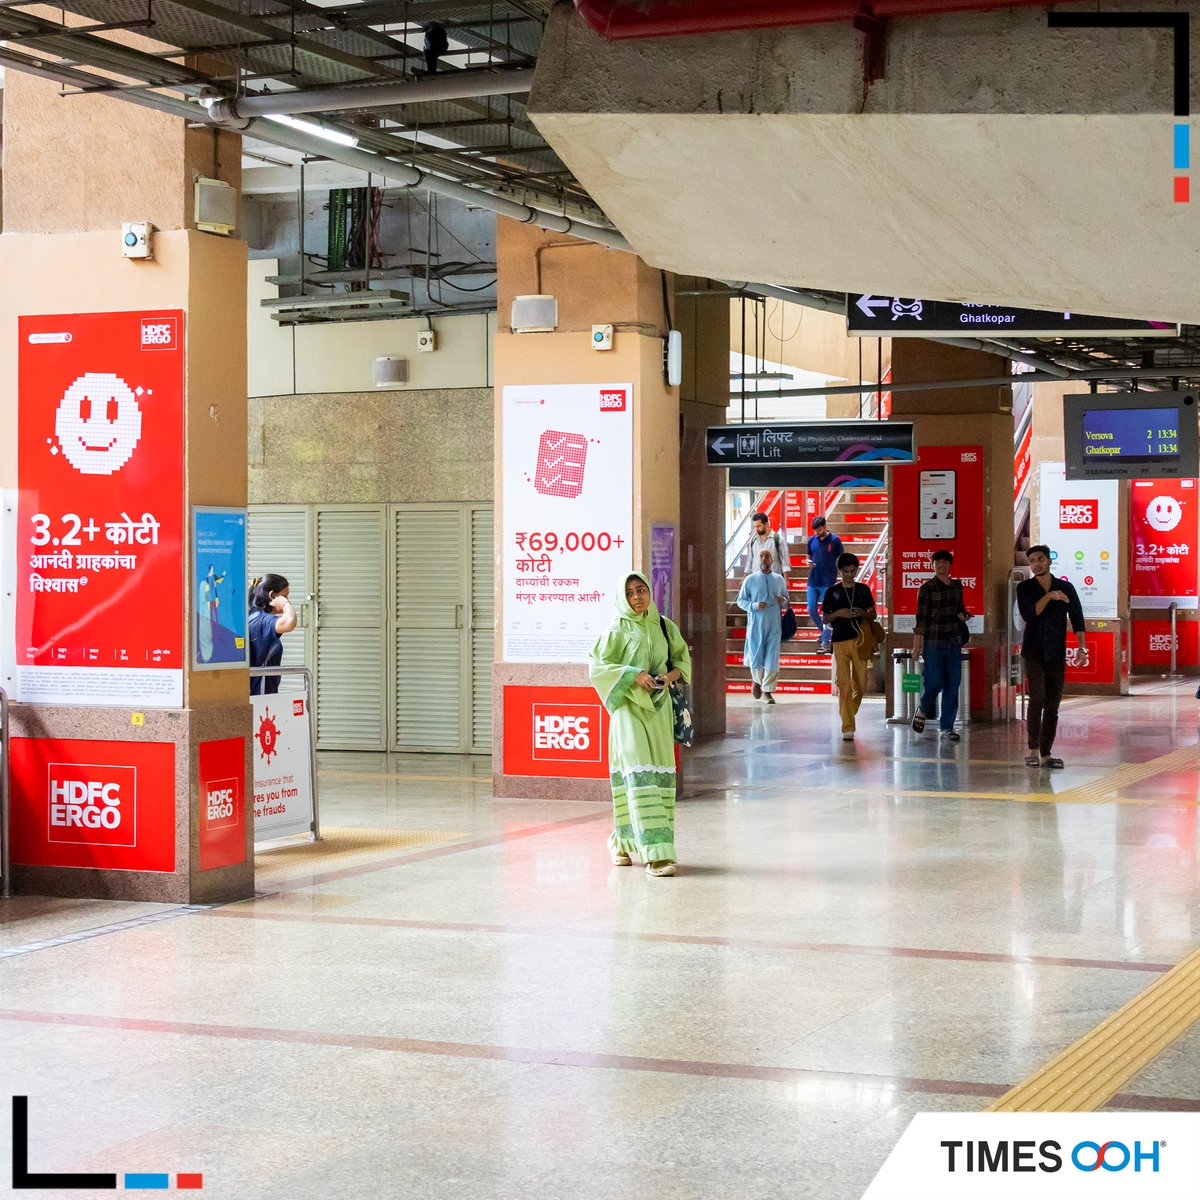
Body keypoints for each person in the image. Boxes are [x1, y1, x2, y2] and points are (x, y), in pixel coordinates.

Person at [589, 572, 692, 877]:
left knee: (657, 778)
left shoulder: (663, 625)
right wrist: (634, 674)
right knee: (637, 775)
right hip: (628, 712)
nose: (637, 597)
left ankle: (621, 841)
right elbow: (597, 666)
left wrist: (667, 678)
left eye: (641, 590)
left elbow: (681, 660)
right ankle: (657, 854)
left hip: (658, 710)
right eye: (631, 593)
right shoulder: (616, 629)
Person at [1017, 545, 1087, 769]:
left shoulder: (1066, 587)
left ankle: (1046, 753)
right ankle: (1033, 749)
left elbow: (1077, 618)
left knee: (1053, 704)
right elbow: (1030, 613)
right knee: (1037, 698)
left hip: (1056, 652)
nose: (1036, 564)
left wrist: (1082, 648)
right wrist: (1049, 596)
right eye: (1032, 561)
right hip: (1034, 652)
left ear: (1048, 561)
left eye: (1040, 559)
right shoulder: (1025, 588)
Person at [911, 549, 970, 743]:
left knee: (953, 684)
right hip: (933, 643)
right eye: (938, 562)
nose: (941, 565)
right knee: (934, 681)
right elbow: (921, 619)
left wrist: (963, 615)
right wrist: (916, 646)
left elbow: (959, 609)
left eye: (945, 562)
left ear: (949, 565)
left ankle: (947, 727)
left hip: (953, 641)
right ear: (933, 565)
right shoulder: (926, 588)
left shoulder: (957, 586)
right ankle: (923, 708)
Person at [822, 552, 877, 741]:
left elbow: (874, 615)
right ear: (840, 571)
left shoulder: (863, 590)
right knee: (844, 684)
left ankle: (847, 714)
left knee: (860, 684)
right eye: (846, 571)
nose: (850, 575)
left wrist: (863, 612)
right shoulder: (832, 592)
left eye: (853, 571)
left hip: (861, 641)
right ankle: (847, 725)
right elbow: (825, 618)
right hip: (839, 642)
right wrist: (839, 613)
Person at [736, 548, 790, 703]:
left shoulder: (779, 579)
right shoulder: (751, 580)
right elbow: (741, 601)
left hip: (774, 624)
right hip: (756, 623)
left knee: (772, 657)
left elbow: (787, 601)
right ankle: (757, 681)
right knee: (756, 654)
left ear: (772, 560)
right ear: (757, 560)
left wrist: (783, 602)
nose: (764, 559)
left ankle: (767, 690)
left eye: (767, 556)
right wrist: (754, 605)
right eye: (761, 556)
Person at [248, 573, 297, 696]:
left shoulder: (252, 616)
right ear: (272, 595)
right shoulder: (263, 621)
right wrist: (285, 604)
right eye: (285, 596)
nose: (288, 600)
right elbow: (290, 622)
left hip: (258, 693)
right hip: (262, 695)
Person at [805, 515, 843, 652]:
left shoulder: (835, 540)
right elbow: (808, 555)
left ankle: (826, 641)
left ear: (825, 527)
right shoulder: (811, 540)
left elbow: (841, 558)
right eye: (815, 530)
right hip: (813, 580)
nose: (817, 533)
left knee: (827, 612)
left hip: (828, 581)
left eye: (819, 530)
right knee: (811, 609)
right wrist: (808, 562)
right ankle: (825, 632)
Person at [748, 511, 789, 577]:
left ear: (766, 524)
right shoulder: (753, 540)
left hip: (774, 580)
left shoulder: (778, 539)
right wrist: (745, 577)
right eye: (755, 526)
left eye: (758, 526)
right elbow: (749, 561)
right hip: (757, 580)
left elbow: (785, 562)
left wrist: (786, 579)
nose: (756, 529)